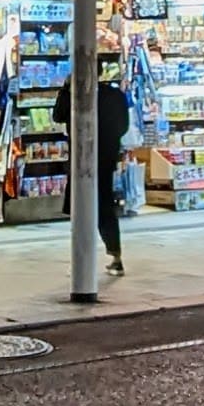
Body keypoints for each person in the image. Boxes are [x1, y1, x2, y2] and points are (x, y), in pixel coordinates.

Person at [93, 55, 133, 267]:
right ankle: (114, 253)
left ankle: (88, 260)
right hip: (106, 157)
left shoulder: (78, 95)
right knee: (104, 205)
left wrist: (65, 89)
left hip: (86, 159)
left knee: (88, 207)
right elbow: (124, 126)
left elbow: (58, 116)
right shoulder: (116, 95)